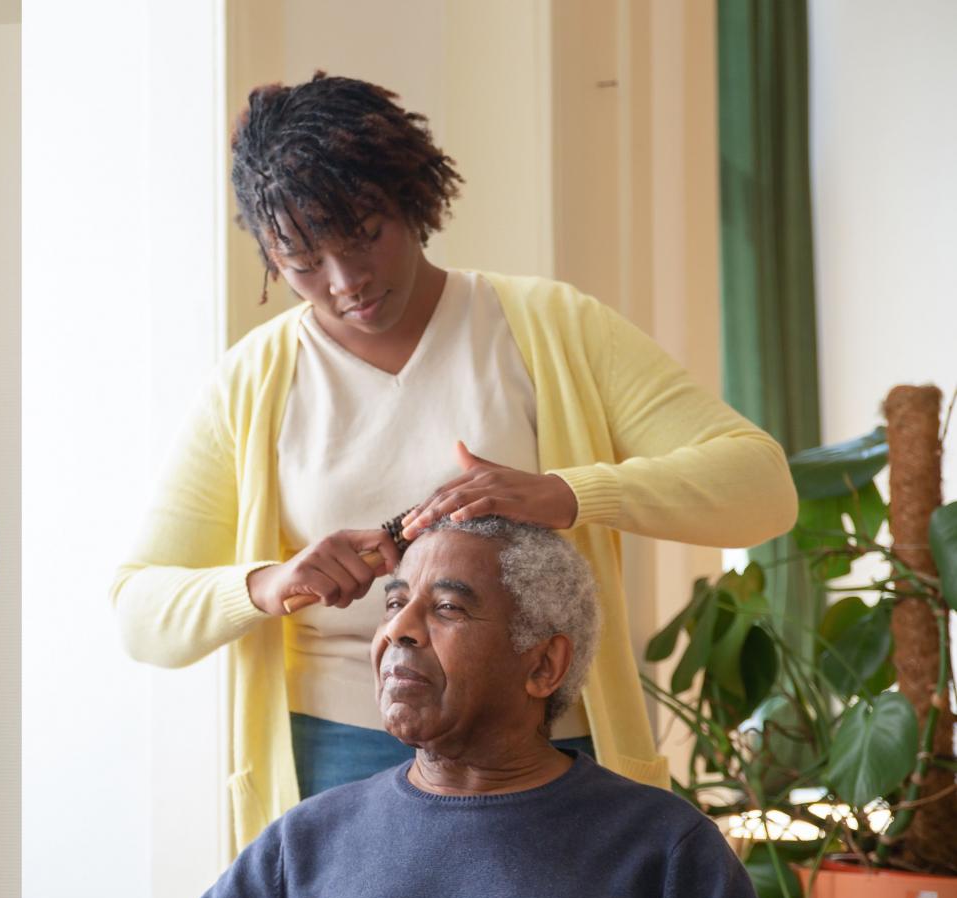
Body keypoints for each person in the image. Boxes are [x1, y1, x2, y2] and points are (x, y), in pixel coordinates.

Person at [111, 74, 795, 844]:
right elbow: (140, 611)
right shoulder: (254, 380)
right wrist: (271, 583)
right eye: (303, 263)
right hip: (337, 750)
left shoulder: (547, 326)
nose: (345, 283)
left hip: (542, 742)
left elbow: (761, 485)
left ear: (413, 197)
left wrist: (565, 494)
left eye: (365, 234)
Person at [94, 516, 824, 898]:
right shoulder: (307, 840)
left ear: (542, 665)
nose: (397, 633)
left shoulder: (659, 844)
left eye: (446, 608)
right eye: (394, 603)